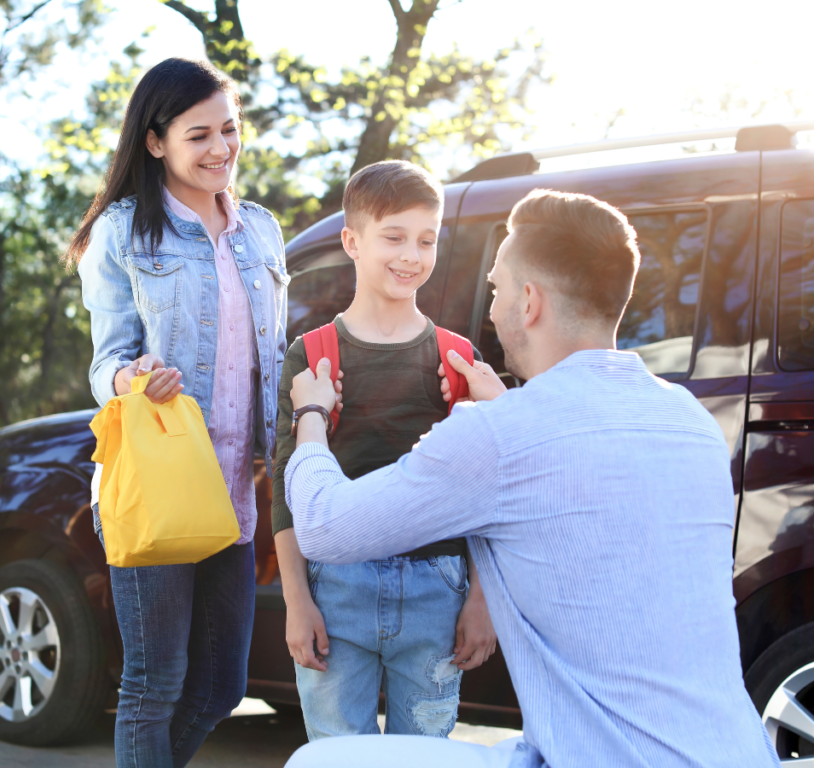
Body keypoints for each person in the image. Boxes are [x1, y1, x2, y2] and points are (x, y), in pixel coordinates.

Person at [282, 189, 779, 767]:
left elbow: (321, 528)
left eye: (495, 290)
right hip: (739, 755)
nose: (491, 309)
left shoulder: (499, 435)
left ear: (529, 301)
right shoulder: (690, 420)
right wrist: (502, 413)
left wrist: (311, 415)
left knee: (320, 762)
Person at [69, 58, 294, 768]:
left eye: (229, 129)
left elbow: (272, 356)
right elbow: (106, 364)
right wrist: (131, 377)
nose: (221, 148)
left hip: (233, 494)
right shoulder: (124, 232)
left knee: (222, 684)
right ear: (156, 140)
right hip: (160, 484)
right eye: (200, 134)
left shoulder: (261, 230)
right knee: (153, 683)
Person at [271, 160, 497, 742]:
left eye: (426, 240)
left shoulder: (457, 358)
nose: (411, 256)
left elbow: (484, 494)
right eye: (393, 237)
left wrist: (481, 599)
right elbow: (286, 486)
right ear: (351, 240)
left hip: (436, 593)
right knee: (337, 755)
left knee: (422, 756)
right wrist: (297, 600)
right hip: (336, 589)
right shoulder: (312, 354)